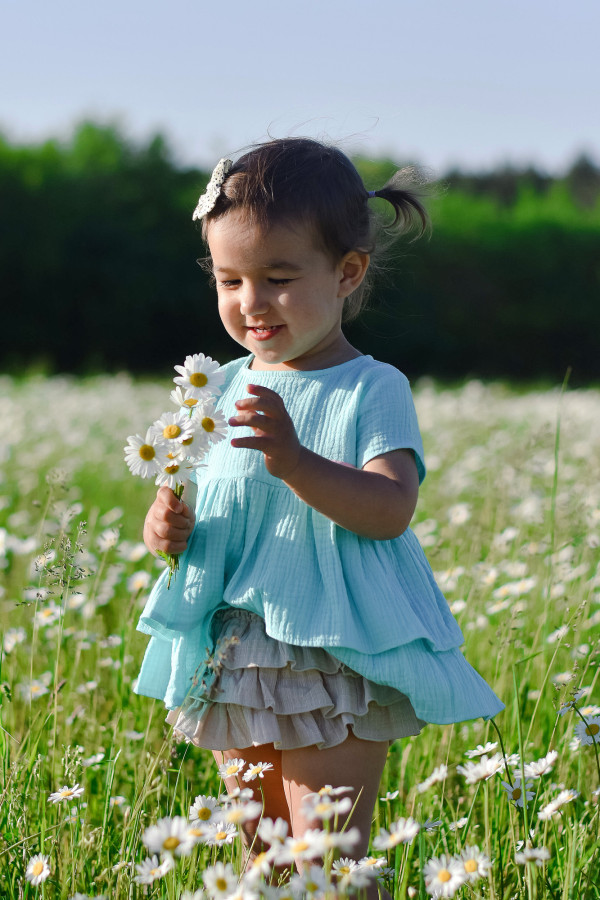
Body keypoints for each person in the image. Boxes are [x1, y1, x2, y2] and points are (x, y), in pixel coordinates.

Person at [135, 137, 503, 889]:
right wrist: (169, 531)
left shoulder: (372, 388)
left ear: (347, 273)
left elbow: (390, 508)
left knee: (329, 858)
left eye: (277, 278)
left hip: (332, 654)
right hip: (237, 653)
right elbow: (219, 516)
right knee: (264, 864)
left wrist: (298, 462)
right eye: (230, 279)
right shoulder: (218, 387)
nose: (249, 302)